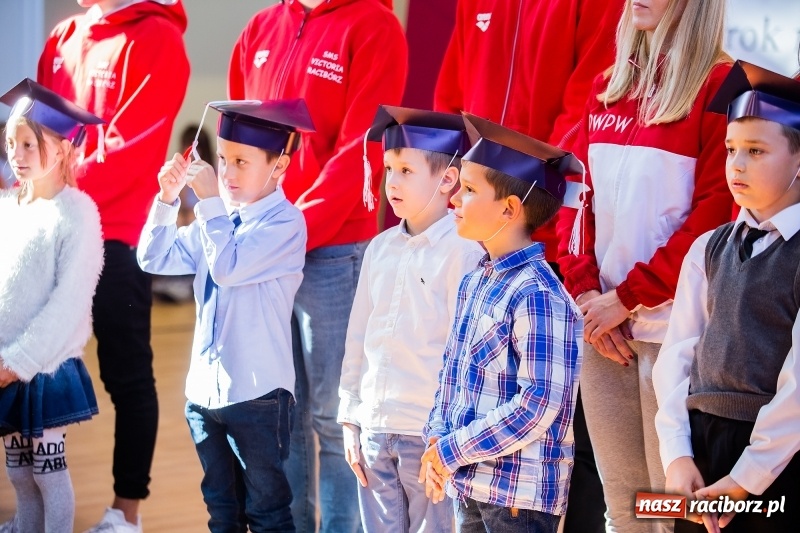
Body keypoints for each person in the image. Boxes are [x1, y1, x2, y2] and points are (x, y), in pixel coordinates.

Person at [434, 4, 621, 528]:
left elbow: (584, 105)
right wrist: (464, 189)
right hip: (491, 226)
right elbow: (454, 105)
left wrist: (539, 209)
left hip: (549, 231)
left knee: (576, 428)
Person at [228, 1, 407, 531]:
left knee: (336, 423)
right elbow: (238, 145)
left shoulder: (373, 26)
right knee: (280, 418)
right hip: (268, 252)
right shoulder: (260, 27)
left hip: (331, 253)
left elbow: (360, 150)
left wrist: (288, 230)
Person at [555, 1, 734, 531]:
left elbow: (713, 216)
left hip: (675, 332)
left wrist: (626, 298)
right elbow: (575, 200)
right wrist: (588, 293)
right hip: (604, 332)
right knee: (625, 510)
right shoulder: (608, 84)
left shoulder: (720, 86)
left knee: (674, 513)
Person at [36, 1, 190, 530]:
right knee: (30, 370)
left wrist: (50, 186)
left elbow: (132, 150)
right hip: (51, 230)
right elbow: (35, 135)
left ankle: (126, 513)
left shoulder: (157, 39)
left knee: (127, 379)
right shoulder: (62, 37)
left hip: (115, 238)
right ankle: (35, 504)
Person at [137, 99, 312, 532]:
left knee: (267, 512)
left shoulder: (286, 224)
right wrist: (165, 198)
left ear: (279, 165)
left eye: (241, 162)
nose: (227, 173)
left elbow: (228, 267)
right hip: (204, 393)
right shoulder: (211, 219)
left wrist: (211, 202)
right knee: (222, 512)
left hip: (257, 396)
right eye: (222, 159)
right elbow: (152, 258)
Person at [654, 61, 800, 533]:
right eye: (731, 149)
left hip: (776, 456)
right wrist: (677, 456)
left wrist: (745, 480)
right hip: (700, 450)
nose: (736, 164)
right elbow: (676, 357)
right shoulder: (709, 246)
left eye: (756, 151)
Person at [421, 113, 584, 533]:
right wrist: (437, 440)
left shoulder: (539, 295)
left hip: (517, 501)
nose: (453, 199)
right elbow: (451, 375)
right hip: (470, 483)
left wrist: (452, 450)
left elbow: (537, 405)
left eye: (469, 189)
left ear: (510, 209)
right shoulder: (474, 280)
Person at [337, 106, 484, 532]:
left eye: (405, 170)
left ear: (447, 180)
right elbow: (357, 338)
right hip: (374, 430)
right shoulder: (379, 249)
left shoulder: (466, 253)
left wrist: (451, 437)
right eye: (388, 168)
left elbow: (465, 356)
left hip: (428, 438)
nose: (392, 181)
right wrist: (351, 418)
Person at [0, 79, 105, 533]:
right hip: (7, 364)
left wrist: (17, 362)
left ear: (62, 149)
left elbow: (69, 304)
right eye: (10, 143)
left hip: (44, 368)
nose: (17, 155)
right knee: (18, 470)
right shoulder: (8, 207)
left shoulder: (77, 214)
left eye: (29, 143)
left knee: (47, 472)